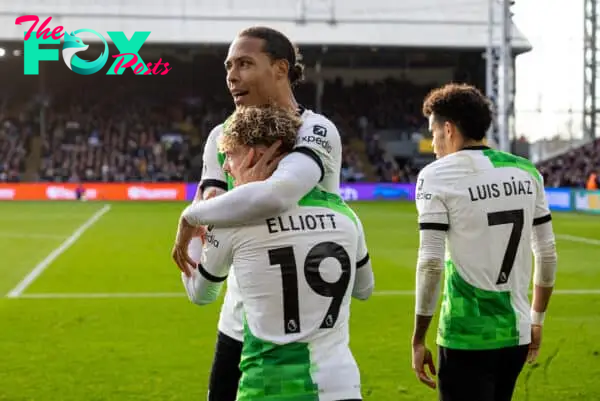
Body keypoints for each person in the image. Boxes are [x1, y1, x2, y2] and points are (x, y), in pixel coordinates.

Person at [171, 26, 345, 401]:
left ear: (280, 68)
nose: (232, 76)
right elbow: (209, 230)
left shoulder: (315, 129)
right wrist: (210, 215)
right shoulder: (222, 136)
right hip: (238, 322)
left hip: (309, 329)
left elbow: (277, 196)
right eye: (229, 66)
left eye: (245, 64)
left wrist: (194, 215)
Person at [180, 105, 374, 401]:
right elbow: (364, 289)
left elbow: (200, 293)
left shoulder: (233, 223)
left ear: (255, 155)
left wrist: (197, 210)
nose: (227, 168)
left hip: (267, 388)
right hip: (340, 386)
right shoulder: (344, 214)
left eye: (230, 156)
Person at [410, 83, 558, 401]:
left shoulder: (437, 175)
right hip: (516, 333)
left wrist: (418, 338)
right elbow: (546, 253)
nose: (433, 143)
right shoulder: (525, 171)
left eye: (433, 133)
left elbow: (431, 262)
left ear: (448, 129)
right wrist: (537, 319)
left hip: (466, 335)